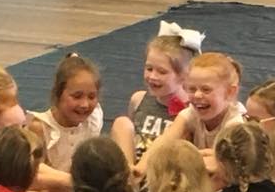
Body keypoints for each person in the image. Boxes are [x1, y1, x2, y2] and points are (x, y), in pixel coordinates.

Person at [133, 52, 244, 179]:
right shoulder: (192, 112)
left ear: (230, 92)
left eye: (206, 89)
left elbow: (219, 168)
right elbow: (165, 140)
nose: (197, 95)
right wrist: (139, 169)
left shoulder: (235, 124)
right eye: (192, 89)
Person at [111, 21, 203, 165]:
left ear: (184, 75)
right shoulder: (138, 99)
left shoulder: (191, 110)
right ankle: (128, 175)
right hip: (134, 168)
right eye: (149, 69)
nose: (152, 76)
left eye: (162, 72)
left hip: (167, 170)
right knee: (121, 123)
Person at [29, 53, 104, 172]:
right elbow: (36, 175)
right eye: (77, 96)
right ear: (58, 94)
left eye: (91, 97)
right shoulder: (41, 128)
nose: (85, 104)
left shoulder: (93, 120)